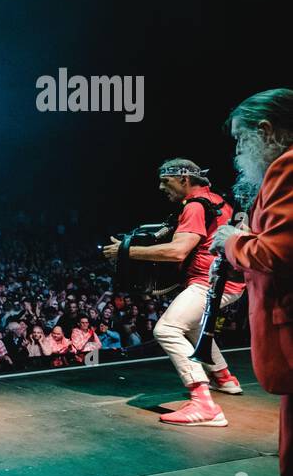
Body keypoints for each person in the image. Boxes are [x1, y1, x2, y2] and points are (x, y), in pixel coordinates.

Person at [213, 88, 293, 476]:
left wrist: (233, 240)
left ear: (267, 130)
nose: (239, 150)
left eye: (243, 137)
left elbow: (276, 250)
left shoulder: (289, 166)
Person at [102, 159, 245, 426]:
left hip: (210, 283)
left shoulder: (194, 206)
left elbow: (177, 251)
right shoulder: (217, 200)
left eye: (165, 181)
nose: (160, 187)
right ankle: (225, 378)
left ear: (183, 179)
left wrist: (125, 251)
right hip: (228, 281)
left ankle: (203, 405)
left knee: (167, 329)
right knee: (191, 326)